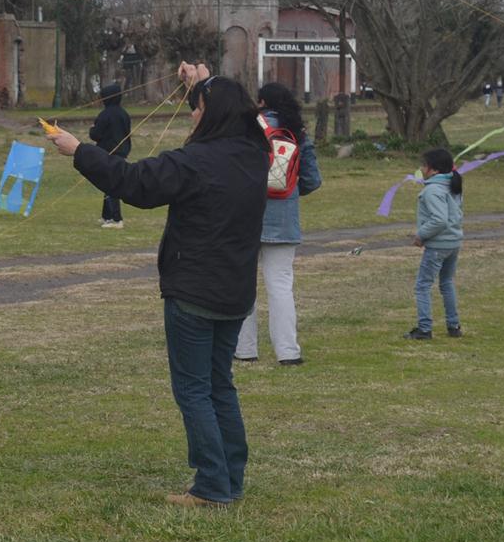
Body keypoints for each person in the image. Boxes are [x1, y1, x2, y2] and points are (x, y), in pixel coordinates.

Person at [45, 63, 269, 508]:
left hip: (194, 292)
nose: (191, 115)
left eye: (198, 108)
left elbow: (135, 184)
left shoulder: (195, 162)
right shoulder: (254, 154)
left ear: (214, 114)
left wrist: (78, 151)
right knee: (218, 383)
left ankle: (211, 485)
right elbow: (241, 109)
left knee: (194, 388)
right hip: (234, 291)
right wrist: (201, 83)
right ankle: (230, 478)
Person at [235, 82, 321, 366]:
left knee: (245, 286)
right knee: (281, 286)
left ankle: (245, 349)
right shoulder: (297, 133)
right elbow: (312, 180)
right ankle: (288, 352)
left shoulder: (247, 128)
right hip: (284, 220)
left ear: (260, 102)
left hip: (246, 216)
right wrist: (290, 192)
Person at [405, 148, 464, 340]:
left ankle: (424, 328)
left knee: (422, 285)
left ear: (434, 170)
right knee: (446, 282)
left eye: (424, 165)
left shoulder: (432, 190)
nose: (421, 169)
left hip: (439, 245)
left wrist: (421, 235)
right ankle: (453, 326)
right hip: (453, 243)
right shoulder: (451, 185)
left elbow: (440, 220)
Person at [88, 81, 132, 228]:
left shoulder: (105, 115)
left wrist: (91, 130)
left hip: (108, 153)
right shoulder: (124, 114)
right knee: (108, 183)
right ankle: (106, 216)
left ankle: (117, 219)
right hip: (122, 153)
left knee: (112, 185)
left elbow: (96, 135)